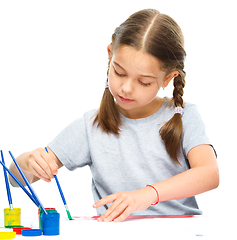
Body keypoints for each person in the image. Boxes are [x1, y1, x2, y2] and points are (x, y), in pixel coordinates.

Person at [9, 9, 219, 222]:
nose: (126, 88)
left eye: (144, 82)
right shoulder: (90, 126)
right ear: (110, 54)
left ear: (168, 78)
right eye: (119, 72)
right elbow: (14, 179)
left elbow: (209, 174)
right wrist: (28, 162)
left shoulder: (183, 115)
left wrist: (147, 194)